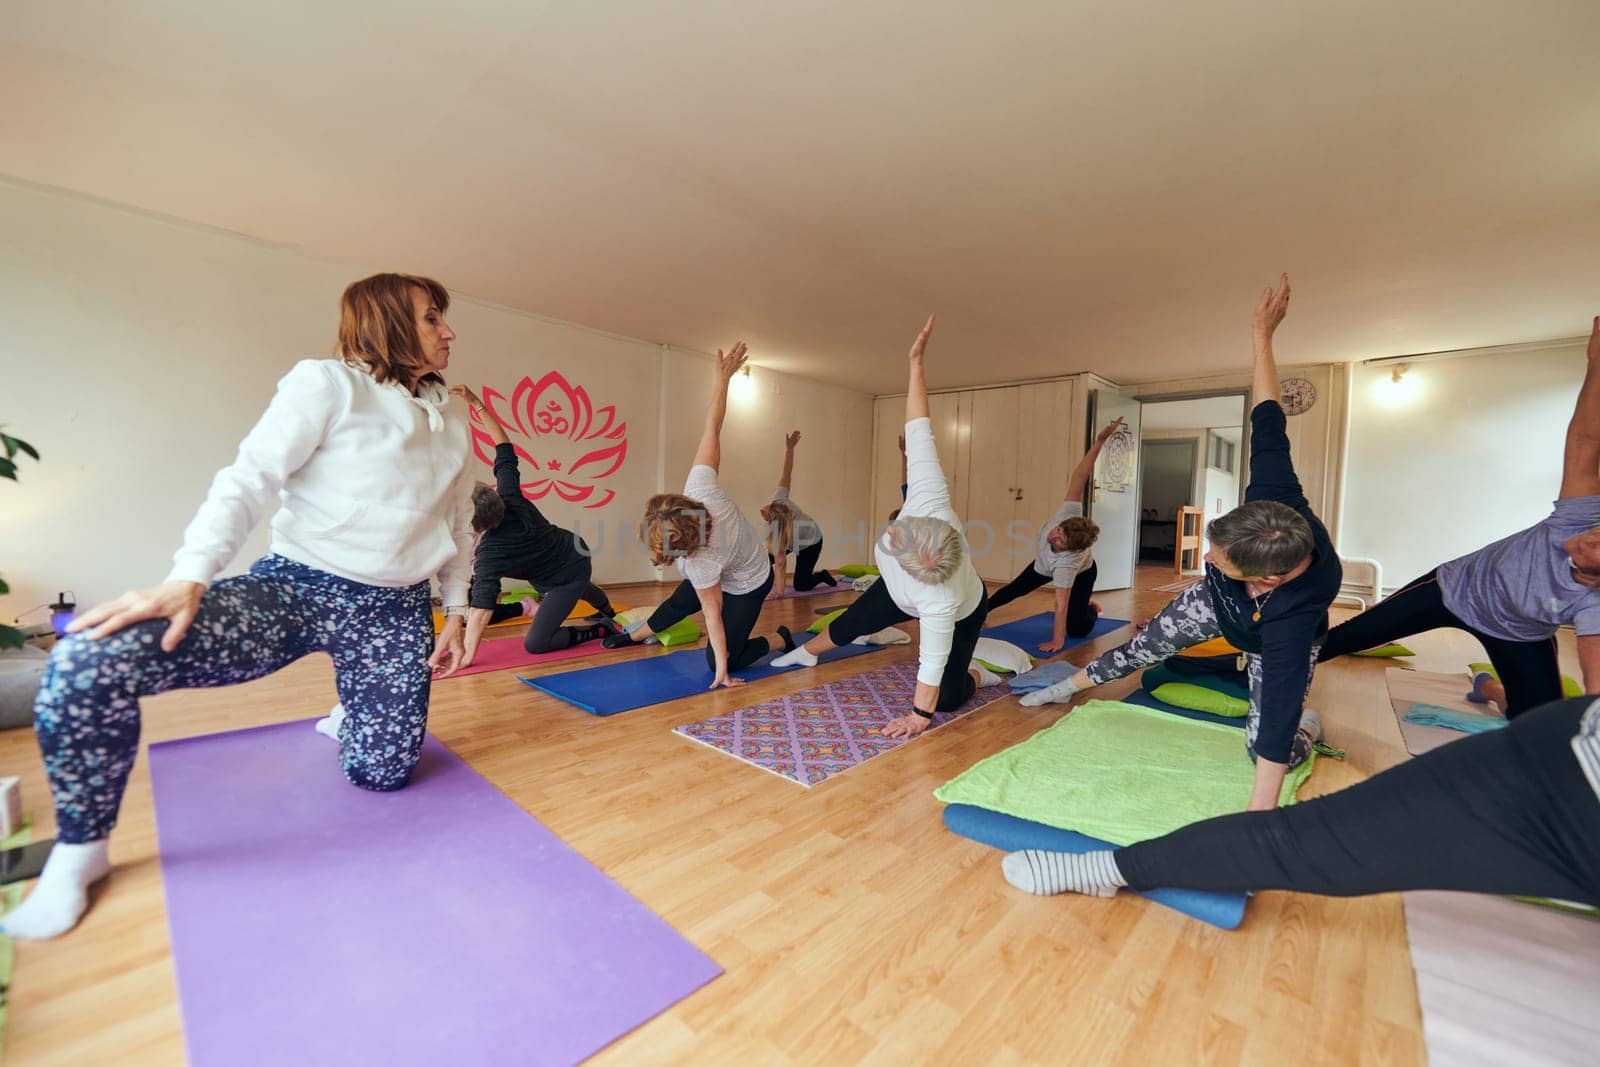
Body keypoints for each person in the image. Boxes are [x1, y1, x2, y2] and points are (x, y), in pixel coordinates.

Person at [4, 273, 476, 940]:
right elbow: (250, 477)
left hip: (394, 608)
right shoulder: (326, 384)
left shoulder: (454, 416)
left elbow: (459, 520)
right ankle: (81, 849)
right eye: (432, 319)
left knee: (385, 774)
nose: (449, 331)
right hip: (298, 585)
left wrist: (453, 606)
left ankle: (356, 710)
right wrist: (190, 575)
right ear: (386, 325)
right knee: (90, 656)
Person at [1020, 275, 1343, 812]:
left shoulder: (1294, 613)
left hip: (1267, 639)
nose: (1207, 558)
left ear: (1267, 577)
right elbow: (1268, 419)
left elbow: (1278, 708)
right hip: (1219, 608)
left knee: (1269, 746)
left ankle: (1309, 731)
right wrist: (1262, 335)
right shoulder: (1276, 498)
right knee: (1144, 649)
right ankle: (1067, 686)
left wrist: (1255, 823)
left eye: (1220, 559)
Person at [1000, 692, 1600, 907]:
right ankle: (1104, 870)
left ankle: (1303, 731)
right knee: (1304, 841)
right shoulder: (1215, 585)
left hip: (1562, 774)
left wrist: (1265, 794)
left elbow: (1280, 687)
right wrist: (1068, 684)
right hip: (1558, 770)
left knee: (1288, 801)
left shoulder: (1293, 611)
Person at [1317, 315, 1600, 716]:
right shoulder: (1582, 516)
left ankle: (1490, 689)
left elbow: (1595, 692)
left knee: (1539, 721)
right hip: (1453, 589)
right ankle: (1246, 670)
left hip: (1519, 634)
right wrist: (1596, 361)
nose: (1594, 537)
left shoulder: (1594, 608)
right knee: (1342, 638)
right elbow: (1587, 438)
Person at [773, 317, 996, 738]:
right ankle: (806, 653)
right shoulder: (931, 501)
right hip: (896, 593)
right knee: (850, 621)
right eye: (902, 534)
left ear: (917, 570)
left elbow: (930, 660)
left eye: (898, 543)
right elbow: (920, 428)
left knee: (946, 696)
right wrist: (915, 365)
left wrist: (918, 717)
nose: (891, 534)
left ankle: (979, 676)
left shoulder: (941, 601)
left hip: (970, 610)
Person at [605, 342, 793, 686]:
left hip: (750, 581)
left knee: (723, 658)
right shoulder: (701, 490)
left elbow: (713, 615)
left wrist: (722, 672)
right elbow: (712, 427)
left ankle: (779, 638)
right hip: (730, 559)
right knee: (678, 603)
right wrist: (723, 380)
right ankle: (633, 636)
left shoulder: (702, 562)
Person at [449, 385, 621, 663]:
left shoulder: (491, 552)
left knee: (537, 643)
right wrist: (476, 403)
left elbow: (480, 609)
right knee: (579, 584)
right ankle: (607, 608)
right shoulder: (509, 495)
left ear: (476, 525)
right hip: (571, 550)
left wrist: (467, 654)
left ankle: (600, 627)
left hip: (566, 570)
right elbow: (504, 447)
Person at [985, 417, 1123, 653]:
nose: (1053, 536)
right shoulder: (1068, 515)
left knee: (1076, 627)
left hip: (1083, 574)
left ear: (1068, 549)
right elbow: (1079, 476)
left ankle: (1091, 609)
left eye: (1059, 540)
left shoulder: (1067, 564)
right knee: (1013, 589)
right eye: (1057, 531)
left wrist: (1057, 641)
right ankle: (980, 611)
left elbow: (1059, 604)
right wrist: (1099, 441)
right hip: (1043, 565)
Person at [762, 430, 838, 598]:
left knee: (801, 586)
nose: (762, 509)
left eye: (765, 512)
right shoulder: (779, 499)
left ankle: (822, 576)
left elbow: (781, 564)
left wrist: (779, 592)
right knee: (762, 560)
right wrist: (790, 448)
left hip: (811, 542)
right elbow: (786, 474)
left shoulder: (779, 534)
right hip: (795, 538)